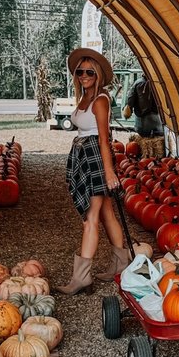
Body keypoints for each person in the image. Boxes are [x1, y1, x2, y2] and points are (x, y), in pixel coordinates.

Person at [57, 48, 131, 295]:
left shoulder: (100, 100)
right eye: (80, 71)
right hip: (84, 155)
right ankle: (121, 265)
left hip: (96, 159)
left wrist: (109, 172)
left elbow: (103, 139)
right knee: (106, 212)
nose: (84, 76)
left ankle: (81, 278)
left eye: (90, 72)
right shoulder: (84, 97)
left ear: (98, 74)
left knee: (90, 219)